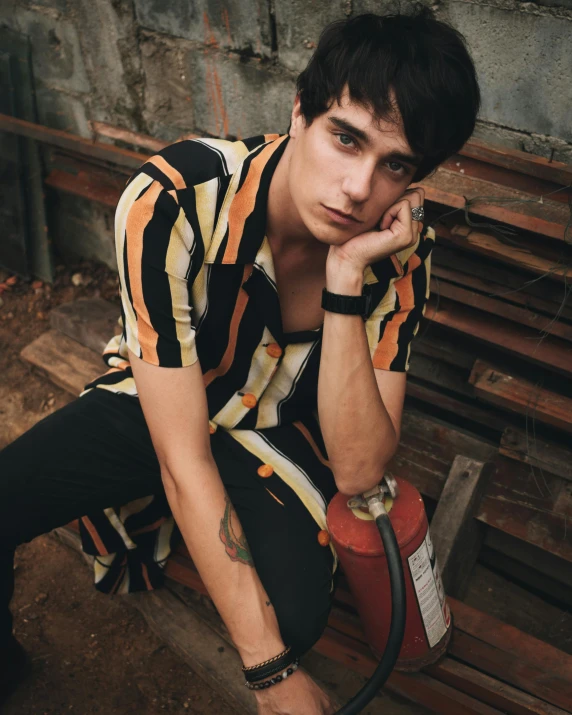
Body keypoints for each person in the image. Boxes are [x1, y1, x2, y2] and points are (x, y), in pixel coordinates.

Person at [0, 8, 480, 714]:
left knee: (296, 617)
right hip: (169, 397)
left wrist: (346, 279)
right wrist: (272, 673)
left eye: (394, 165)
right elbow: (182, 452)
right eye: (345, 138)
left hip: (282, 435)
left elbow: (357, 470)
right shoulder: (173, 201)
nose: (356, 187)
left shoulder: (398, 253)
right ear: (298, 112)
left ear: (413, 184)